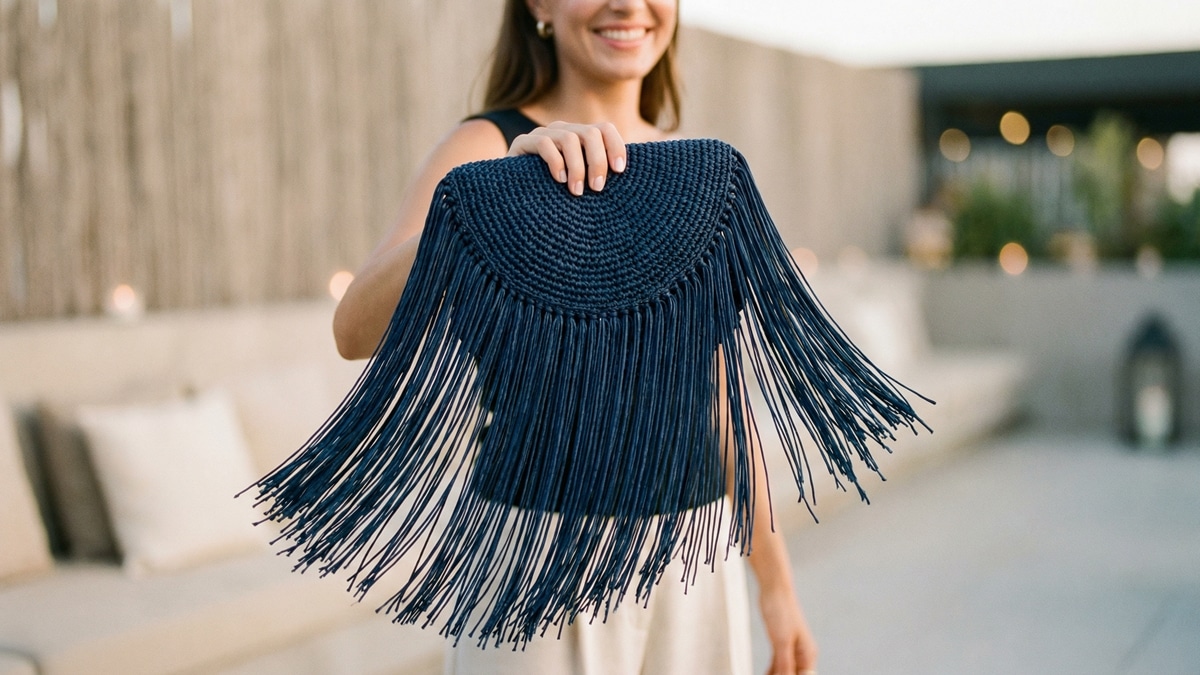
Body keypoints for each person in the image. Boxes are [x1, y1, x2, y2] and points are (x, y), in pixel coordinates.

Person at [331, 1, 819, 673]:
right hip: (536, 557)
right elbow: (354, 328)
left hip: (696, 562)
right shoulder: (489, 145)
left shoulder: (693, 175)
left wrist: (778, 585)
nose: (627, 5)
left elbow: (717, 401)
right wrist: (501, 192)